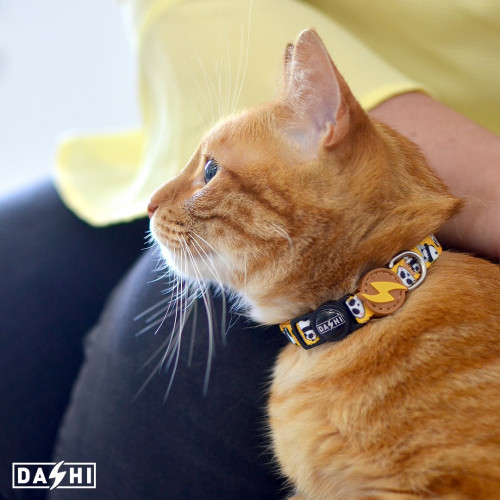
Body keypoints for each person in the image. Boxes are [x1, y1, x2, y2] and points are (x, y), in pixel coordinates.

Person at [1, 1, 499, 499]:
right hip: (185, 97)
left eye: (209, 173)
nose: (158, 202)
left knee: (143, 393)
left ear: (324, 129)